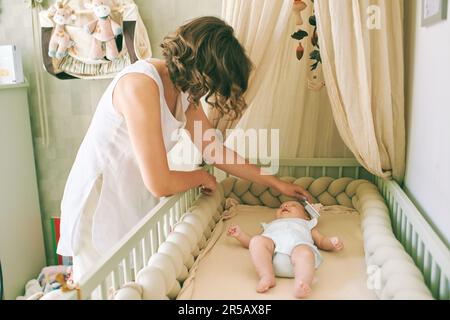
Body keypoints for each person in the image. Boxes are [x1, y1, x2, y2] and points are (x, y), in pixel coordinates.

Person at [57, 16, 312, 282]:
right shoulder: (140, 84)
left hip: (130, 192)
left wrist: (274, 183)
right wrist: (201, 177)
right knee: (101, 282)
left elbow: (212, 148)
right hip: (100, 199)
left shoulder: (183, 91)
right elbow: (160, 183)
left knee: (134, 281)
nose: (208, 93)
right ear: (203, 70)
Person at [228, 201, 344, 298]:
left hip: (298, 255)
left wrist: (331, 242)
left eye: (293, 205)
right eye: (281, 206)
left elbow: (321, 241)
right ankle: (266, 276)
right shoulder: (270, 225)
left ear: (306, 216)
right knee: (257, 241)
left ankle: (302, 283)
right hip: (270, 257)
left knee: (305, 252)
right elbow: (252, 244)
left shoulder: (307, 224)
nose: (285, 206)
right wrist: (240, 235)